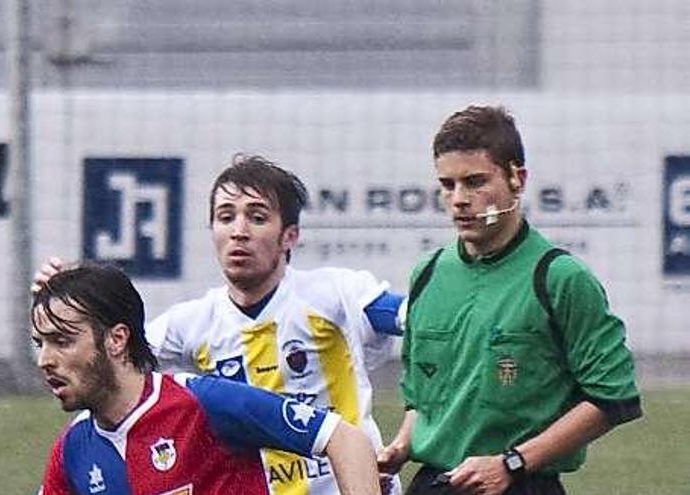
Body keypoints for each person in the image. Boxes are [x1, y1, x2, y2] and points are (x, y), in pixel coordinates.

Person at [35, 154, 406, 494]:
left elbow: (420, 319)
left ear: (290, 235)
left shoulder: (334, 294)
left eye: (257, 217)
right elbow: (112, 350)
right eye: (226, 217)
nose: (239, 231)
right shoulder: (193, 323)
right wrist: (75, 298)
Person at [377, 105, 642, 495]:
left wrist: (512, 463)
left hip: (520, 485)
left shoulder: (561, 278)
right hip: (434, 483)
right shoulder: (429, 272)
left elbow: (613, 398)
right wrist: (402, 444)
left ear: (517, 178)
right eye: (448, 185)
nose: (459, 199)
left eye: (475, 182)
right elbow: (421, 397)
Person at [32, 261, 380, 495]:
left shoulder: (202, 404)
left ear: (117, 339)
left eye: (62, 341)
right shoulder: (73, 450)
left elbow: (345, 439)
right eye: (40, 343)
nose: (45, 360)